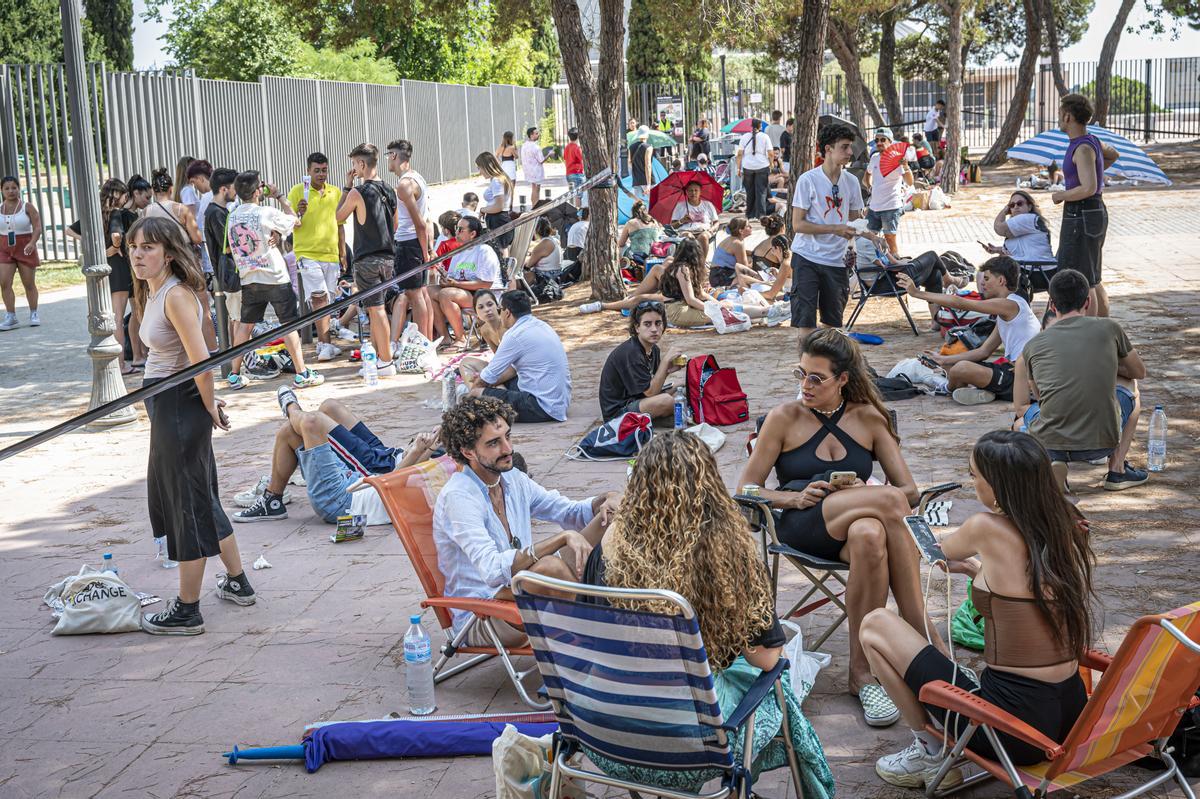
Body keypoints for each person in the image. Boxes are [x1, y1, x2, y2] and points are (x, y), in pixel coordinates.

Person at [739, 328, 949, 725]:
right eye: (800, 373)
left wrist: (858, 493)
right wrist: (792, 497)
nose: (805, 385)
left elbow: (910, 490)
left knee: (870, 533)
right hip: (801, 523)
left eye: (816, 378)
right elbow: (746, 489)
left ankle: (862, 674)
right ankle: (926, 638)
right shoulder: (784, 418)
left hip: (852, 526)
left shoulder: (870, 418)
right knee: (886, 500)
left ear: (843, 379)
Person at [861, 430, 1094, 789]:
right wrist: (976, 570)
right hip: (1070, 716)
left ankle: (928, 751)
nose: (973, 484)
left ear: (998, 486)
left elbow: (939, 550)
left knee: (874, 625)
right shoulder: (1065, 524)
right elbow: (1024, 585)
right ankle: (933, 743)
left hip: (1014, 732)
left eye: (974, 476)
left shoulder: (985, 527)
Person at [128, 216, 254, 635]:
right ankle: (238, 582)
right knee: (202, 497)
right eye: (134, 247)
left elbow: (202, 361)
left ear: (168, 251)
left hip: (179, 409)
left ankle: (187, 609)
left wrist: (208, 404)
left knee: (186, 507)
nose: (138, 254)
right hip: (172, 406)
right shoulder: (156, 291)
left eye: (148, 247)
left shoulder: (176, 295)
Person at [432, 396, 618, 647]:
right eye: (494, 443)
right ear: (468, 452)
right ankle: (605, 634)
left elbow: (568, 511)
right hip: (484, 614)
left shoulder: (511, 479)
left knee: (613, 516)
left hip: (523, 590)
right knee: (551, 567)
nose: (508, 449)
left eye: (508, 436)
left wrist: (606, 498)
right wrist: (559, 540)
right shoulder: (459, 497)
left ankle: (619, 609)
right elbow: (492, 570)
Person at [1014, 268, 1148, 491]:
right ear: (1087, 301)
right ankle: (1117, 470)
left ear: (1052, 305)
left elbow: (1037, 398)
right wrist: (1106, 366)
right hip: (1102, 443)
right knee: (1131, 387)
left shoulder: (1033, 346)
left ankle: (1050, 463)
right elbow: (1138, 372)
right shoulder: (1109, 328)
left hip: (1051, 440)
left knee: (1024, 419)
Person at [233, 386, 439, 522]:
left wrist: (420, 450)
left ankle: (290, 408)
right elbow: (402, 476)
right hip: (359, 482)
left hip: (341, 501)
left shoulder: (436, 492)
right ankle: (272, 500)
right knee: (293, 432)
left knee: (311, 423)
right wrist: (423, 449)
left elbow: (393, 480)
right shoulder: (443, 477)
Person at [225, 170, 323, 390]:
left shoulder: (232, 215)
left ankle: (233, 374)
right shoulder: (265, 212)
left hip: (249, 276)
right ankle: (302, 373)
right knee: (288, 324)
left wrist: (275, 234)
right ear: (258, 190)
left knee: (244, 326)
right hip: (275, 276)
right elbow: (295, 221)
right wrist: (278, 195)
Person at [899, 256, 1039, 405]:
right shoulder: (1005, 312)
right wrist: (942, 359)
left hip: (1022, 380)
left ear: (1001, 281)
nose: (982, 283)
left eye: (986, 278)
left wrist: (917, 293)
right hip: (1011, 372)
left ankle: (946, 387)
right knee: (953, 365)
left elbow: (960, 302)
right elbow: (983, 352)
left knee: (960, 369)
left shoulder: (1011, 304)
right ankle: (984, 392)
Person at [789, 122, 866, 341]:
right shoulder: (808, 180)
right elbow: (798, 225)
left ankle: (826, 371)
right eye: (844, 147)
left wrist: (867, 232)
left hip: (836, 259)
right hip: (807, 257)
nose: (850, 152)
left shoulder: (851, 181)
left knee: (833, 325)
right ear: (828, 149)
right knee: (805, 322)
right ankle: (806, 371)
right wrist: (835, 228)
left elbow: (854, 218)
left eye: (851, 147)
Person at [1052, 93, 1119, 318]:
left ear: (1068, 116)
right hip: (1093, 211)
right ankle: (1103, 329)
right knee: (1093, 276)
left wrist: (1061, 194)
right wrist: (1095, 169)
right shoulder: (1092, 142)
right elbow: (1113, 154)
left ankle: (1089, 333)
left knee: (1083, 280)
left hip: (1082, 212)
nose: (1060, 119)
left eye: (1061, 115)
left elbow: (1088, 187)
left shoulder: (1081, 148)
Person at [336, 143, 398, 372]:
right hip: (388, 257)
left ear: (362, 164)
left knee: (376, 309)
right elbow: (396, 224)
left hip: (367, 259)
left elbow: (338, 217)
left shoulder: (357, 192)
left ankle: (385, 360)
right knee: (377, 309)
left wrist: (346, 186)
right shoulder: (389, 189)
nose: (353, 168)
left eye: (354, 164)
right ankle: (381, 357)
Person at [468, 290, 571, 423]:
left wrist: (471, 395)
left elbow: (486, 378)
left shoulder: (513, 335)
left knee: (477, 394)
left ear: (507, 313)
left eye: (499, 309)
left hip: (541, 407)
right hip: (559, 402)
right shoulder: (542, 325)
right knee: (490, 386)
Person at [145, 167, 216, 350]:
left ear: (153, 191)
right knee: (203, 307)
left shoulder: (147, 212)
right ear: (171, 189)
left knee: (165, 307)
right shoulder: (180, 209)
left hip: (160, 264)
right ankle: (212, 350)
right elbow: (197, 238)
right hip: (185, 260)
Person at [287, 152, 346, 363]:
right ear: (308, 171)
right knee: (319, 298)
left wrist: (343, 252)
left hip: (331, 254)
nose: (321, 174)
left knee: (328, 300)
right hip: (306, 253)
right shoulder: (296, 192)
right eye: (317, 170)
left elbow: (339, 224)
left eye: (324, 170)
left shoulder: (335, 192)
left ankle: (325, 343)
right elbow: (288, 222)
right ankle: (325, 344)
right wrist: (299, 213)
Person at [658, 238, 787, 328]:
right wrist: (716, 307)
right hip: (678, 311)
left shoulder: (680, 266)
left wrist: (718, 304)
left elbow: (701, 294)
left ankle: (767, 311)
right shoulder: (682, 269)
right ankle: (767, 312)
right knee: (723, 312)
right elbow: (691, 299)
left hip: (680, 308)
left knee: (727, 306)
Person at [597, 300, 686, 422]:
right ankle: (662, 418)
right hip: (618, 414)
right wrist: (665, 362)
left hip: (638, 399)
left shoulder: (653, 350)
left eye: (658, 323)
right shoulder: (631, 353)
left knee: (681, 387)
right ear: (637, 327)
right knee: (667, 401)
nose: (654, 329)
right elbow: (650, 392)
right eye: (647, 324)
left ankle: (660, 417)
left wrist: (667, 370)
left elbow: (651, 386)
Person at [856, 237, 968, 331]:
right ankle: (950, 280)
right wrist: (906, 263)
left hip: (882, 282)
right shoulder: (866, 241)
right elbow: (893, 265)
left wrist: (904, 262)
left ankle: (936, 320)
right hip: (889, 283)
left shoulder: (859, 240)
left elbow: (888, 264)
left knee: (935, 272)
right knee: (932, 255)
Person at [383, 139, 434, 342]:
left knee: (415, 295)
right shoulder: (417, 178)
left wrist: (425, 252)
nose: (388, 160)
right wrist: (427, 248)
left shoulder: (404, 184)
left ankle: (424, 343)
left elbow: (421, 223)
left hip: (409, 243)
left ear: (394, 156)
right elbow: (426, 220)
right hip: (414, 242)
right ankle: (427, 342)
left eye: (388, 155)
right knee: (422, 294)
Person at [433, 215, 502, 349]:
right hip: (463, 291)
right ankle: (445, 337)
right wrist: (445, 280)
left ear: (472, 234)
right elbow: (452, 276)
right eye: (456, 228)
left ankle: (461, 337)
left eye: (460, 229)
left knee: (446, 294)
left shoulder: (484, 251)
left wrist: (454, 284)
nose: (456, 232)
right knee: (427, 291)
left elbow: (485, 284)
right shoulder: (459, 251)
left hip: (484, 296)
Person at [203, 168, 240, 343]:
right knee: (237, 319)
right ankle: (239, 362)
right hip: (229, 274)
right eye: (234, 187)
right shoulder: (216, 213)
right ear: (224, 189)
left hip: (230, 273)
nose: (237, 191)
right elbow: (227, 247)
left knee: (237, 318)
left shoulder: (220, 211)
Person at [864, 127, 913, 258]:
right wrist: (870, 187)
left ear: (890, 142)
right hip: (874, 207)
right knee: (869, 239)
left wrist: (906, 166)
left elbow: (910, 182)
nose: (879, 142)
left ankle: (896, 268)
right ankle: (880, 266)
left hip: (891, 206)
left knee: (890, 240)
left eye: (883, 139)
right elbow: (866, 176)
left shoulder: (897, 159)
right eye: (876, 140)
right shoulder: (874, 158)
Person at [984, 190, 1055, 263]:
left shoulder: (1028, 218)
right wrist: (998, 250)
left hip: (1036, 270)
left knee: (988, 269)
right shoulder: (1017, 225)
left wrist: (1004, 211)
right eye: (1012, 205)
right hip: (1030, 268)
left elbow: (998, 228)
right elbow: (1020, 250)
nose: (1016, 207)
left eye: (1019, 203)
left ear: (1029, 207)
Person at [670, 180, 719, 265]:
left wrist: (711, 230)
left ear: (700, 192)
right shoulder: (680, 206)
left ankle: (701, 264)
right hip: (686, 231)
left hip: (704, 231)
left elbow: (716, 222)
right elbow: (673, 226)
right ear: (686, 192)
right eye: (690, 190)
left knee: (703, 237)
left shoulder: (708, 205)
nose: (693, 193)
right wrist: (682, 220)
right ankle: (692, 263)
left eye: (696, 190)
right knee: (689, 238)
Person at [476, 152, 514, 255]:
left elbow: (498, 206)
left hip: (498, 219)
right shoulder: (500, 178)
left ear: (486, 166)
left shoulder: (496, 181)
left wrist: (482, 209)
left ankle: (504, 270)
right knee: (502, 248)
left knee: (501, 250)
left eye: (479, 168)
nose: (479, 172)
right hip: (500, 218)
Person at [710, 217, 761, 290]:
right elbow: (744, 268)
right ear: (741, 231)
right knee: (752, 272)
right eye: (748, 226)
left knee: (750, 258)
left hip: (715, 275)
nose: (751, 227)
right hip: (721, 278)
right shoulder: (738, 243)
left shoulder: (732, 239)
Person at [737, 118, 773, 220]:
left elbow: (739, 154)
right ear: (760, 126)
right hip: (762, 166)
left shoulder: (744, 137)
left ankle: (749, 215)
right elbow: (770, 153)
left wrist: (738, 168)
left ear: (751, 126)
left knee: (750, 192)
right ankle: (761, 215)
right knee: (761, 191)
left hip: (747, 166)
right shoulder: (765, 137)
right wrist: (771, 164)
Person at [183, 160, 214, 274]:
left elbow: (200, 228)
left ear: (201, 178)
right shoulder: (225, 195)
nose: (195, 187)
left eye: (194, 182)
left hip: (211, 259)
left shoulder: (207, 197)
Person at [517, 217, 562, 288]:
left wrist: (525, 258)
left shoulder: (543, 244)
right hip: (555, 273)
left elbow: (529, 265)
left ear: (535, 230)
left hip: (547, 276)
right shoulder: (553, 240)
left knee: (516, 280)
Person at [617, 200, 660, 266]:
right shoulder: (654, 221)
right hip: (655, 254)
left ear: (633, 212)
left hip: (637, 255)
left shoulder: (630, 223)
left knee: (620, 247)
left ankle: (621, 267)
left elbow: (621, 243)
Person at [520, 127, 547, 205]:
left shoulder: (524, 145)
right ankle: (536, 207)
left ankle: (533, 206)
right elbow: (541, 160)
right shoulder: (536, 147)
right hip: (536, 171)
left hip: (528, 171)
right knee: (537, 190)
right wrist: (549, 155)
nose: (538, 135)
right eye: (536, 133)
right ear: (531, 135)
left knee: (533, 188)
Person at [629, 126, 654, 204]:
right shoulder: (648, 147)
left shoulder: (631, 147)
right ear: (647, 135)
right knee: (652, 203)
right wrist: (649, 184)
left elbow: (629, 163)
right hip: (647, 179)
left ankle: (639, 216)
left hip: (636, 179)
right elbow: (648, 165)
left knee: (638, 204)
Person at [495, 130, 519, 208]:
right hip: (510, 165)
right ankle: (510, 205)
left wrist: (500, 162)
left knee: (504, 186)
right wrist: (516, 148)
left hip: (504, 165)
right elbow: (516, 157)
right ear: (511, 138)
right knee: (512, 187)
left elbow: (496, 155)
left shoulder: (501, 147)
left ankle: (504, 203)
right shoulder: (512, 147)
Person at [563, 127, 585, 205]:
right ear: (578, 136)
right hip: (577, 173)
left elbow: (565, 159)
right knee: (578, 195)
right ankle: (577, 214)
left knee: (572, 194)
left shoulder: (567, 147)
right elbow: (582, 158)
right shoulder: (577, 148)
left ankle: (573, 212)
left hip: (569, 173)